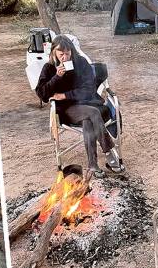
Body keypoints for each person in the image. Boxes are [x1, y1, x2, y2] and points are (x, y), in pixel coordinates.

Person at [35, 35, 124, 178]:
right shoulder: (49, 68)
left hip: (88, 104)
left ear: (72, 51)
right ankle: (109, 152)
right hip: (67, 110)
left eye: (68, 53)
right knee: (93, 113)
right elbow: (42, 94)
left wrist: (65, 95)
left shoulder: (81, 63)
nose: (65, 57)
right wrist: (57, 77)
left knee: (89, 120)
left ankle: (93, 166)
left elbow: (89, 90)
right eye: (61, 54)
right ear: (54, 53)